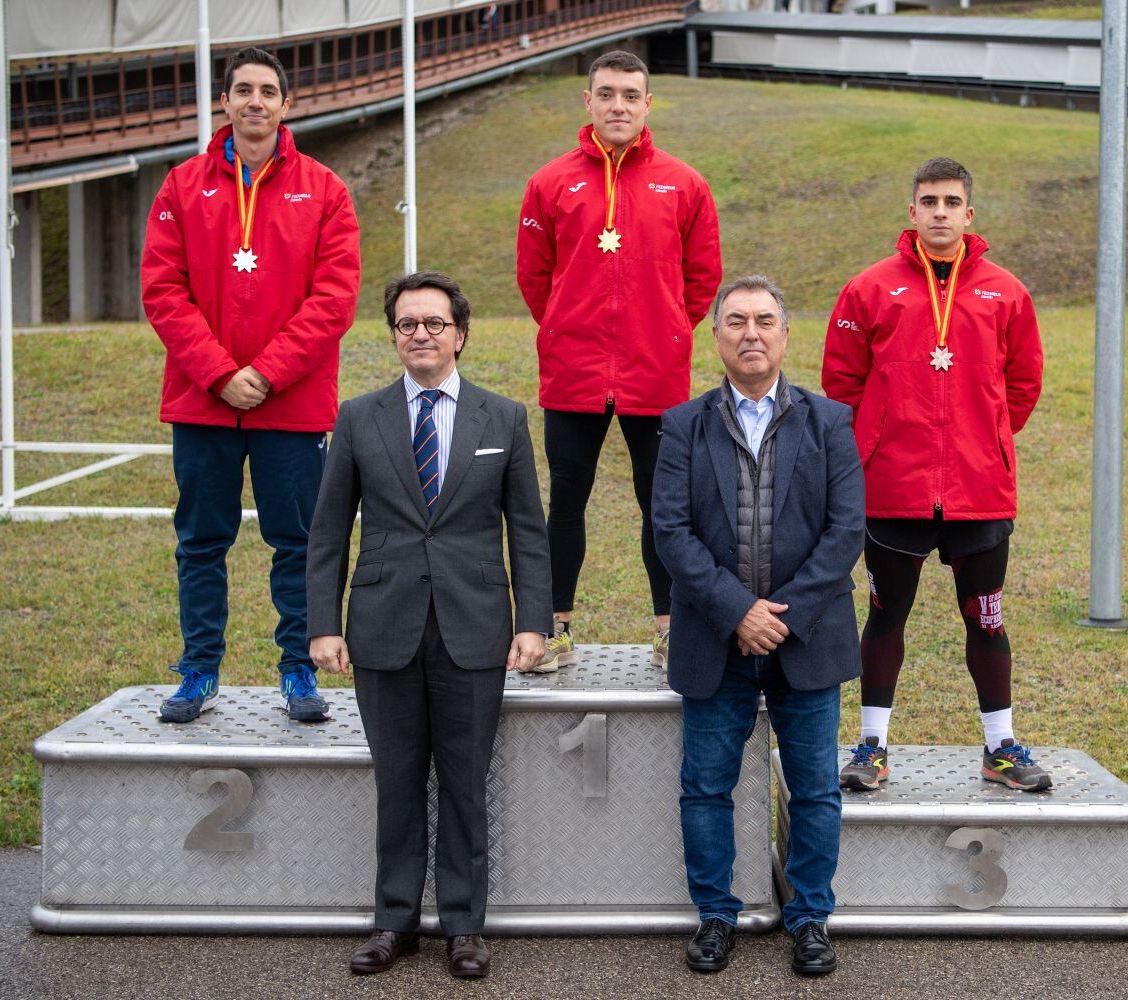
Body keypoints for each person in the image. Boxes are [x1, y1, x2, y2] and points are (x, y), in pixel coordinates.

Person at [306, 271, 551, 980]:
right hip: (382, 626)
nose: (421, 334)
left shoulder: (502, 418)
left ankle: (466, 926)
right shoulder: (358, 418)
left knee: (466, 782)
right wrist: (323, 625)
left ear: (460, 335)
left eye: (434, 323)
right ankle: (394, 921)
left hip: (475, 628)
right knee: (399, 780)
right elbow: (327, 533)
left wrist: (533, 622)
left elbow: (528, 533)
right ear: (393, 337)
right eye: (408, 324)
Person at [141, 46, 360, 724]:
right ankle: (198, 669)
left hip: (290, 405)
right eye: (243, 90)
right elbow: (162, 289)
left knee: (297, 543)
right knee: (201, 541)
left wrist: (266, 373)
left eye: (268, 90)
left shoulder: (324, 189)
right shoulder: (182, 184)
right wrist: (217, 373)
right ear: (226, 101)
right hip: (203, 403)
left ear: (286, 103)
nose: (255, 101)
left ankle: (299, 668)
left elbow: (335, 295)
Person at [654, 276, 864, 976]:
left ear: (784, 335)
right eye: (736, 320)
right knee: (706, 786)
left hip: (808, 638)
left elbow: (845, 532)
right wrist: (737, 611)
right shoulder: (684, 423)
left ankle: (809, 918)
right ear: (715, 336)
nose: (751, 333)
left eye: (765, 320)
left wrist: (783, 616)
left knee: (815, 789)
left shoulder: (829, 421)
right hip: (715, 637)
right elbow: (671, 532)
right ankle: (715, 915)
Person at [821, 157, 1049, 792]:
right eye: (929, 201)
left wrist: (988, 439)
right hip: (894, 489)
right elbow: (842, 384)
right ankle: (871, 746)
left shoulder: (1006, 292)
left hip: (980, 491)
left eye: (952, 202)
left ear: (969, 214)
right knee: (886, 616)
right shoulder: (868, 289)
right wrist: (878, 445)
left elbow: (1024, 383)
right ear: (912, 212)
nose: (940, 212)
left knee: (987, 618)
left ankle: (1001, 748)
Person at [516, 50, 721, 670]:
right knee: (566, 501)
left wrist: (665, 333)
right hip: (573, 373)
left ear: (647, 104)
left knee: (662, 506)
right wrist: (563, 326)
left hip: (655, 375)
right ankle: (554, 629)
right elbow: (534, 276)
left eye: (630, 95)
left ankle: (670, 628)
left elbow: (702, 276)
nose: (618, 106)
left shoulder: (683, 183)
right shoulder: (550, 182)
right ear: (588, 101)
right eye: (606, 94)